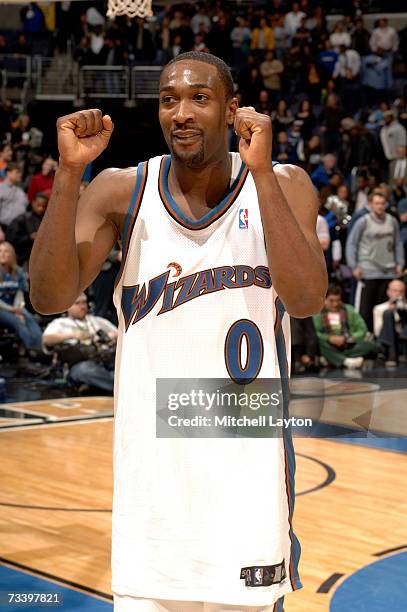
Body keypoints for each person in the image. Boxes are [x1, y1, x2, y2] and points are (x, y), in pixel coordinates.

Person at [29, 52, 327, 612]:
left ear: (233, 109)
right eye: (169, 100)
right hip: (154, 493)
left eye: (199, 98)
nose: (181, 113)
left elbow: (308, 300)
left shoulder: (282, 184)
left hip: (247, 483)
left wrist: (260, 172)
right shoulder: (122, 190)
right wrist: (70, 174)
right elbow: (46, 296)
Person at [346, 189, 405, 331]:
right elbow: (351, 244)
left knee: (385, 312)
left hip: (388, 272)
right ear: (371, 204)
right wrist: (354, 266)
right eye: (377, 203)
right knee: (365, 311)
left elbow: (398, 243)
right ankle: (365, 341)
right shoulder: (363, 222)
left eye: (382, 203)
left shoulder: (392, 221)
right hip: (368, 271)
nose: (380, 206)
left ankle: (383, 344)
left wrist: (400, 263)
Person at [42, 293, 117, 392]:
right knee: (85, 371)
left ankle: (102, 384)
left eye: (84, 303)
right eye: (77, 304)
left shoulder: (96, 320)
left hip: (106, 359)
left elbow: (119, 332)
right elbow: (46, 339)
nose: (82, 307)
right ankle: (117, 386)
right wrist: (73, 335)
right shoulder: (60, 323)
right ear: (68, 307)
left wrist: (113, 335)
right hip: (80, 363)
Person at [313, 284, 379, 369]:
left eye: (338, 300)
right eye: (331, 301)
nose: (335, 304)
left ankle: (332, 358)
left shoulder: (349, 309)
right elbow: (315, 332)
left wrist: (350, 338)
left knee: (371, 345)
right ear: (324, 300)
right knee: (319, 343)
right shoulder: (317, 313)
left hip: (348, 344)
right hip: (328, 345)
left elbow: (362, 329)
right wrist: (329, 338)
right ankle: (345, 361)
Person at [0, 241, 42, 350]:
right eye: (0, 251)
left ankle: (40, 348)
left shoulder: (18, 272)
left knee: (30, 318)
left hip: (15, 306)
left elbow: (19, 294)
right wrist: (13, 310)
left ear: (12, 254)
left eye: (6, 251)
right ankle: (30, 350)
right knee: (17, 321)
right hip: (2, 308)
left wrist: (19, 308)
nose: (3, 254)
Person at [373, 279, 407, 367]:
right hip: (387, 343)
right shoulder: (379, 308)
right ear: (388, 292)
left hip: (403, 341)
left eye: (401, 291)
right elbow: (377, 332)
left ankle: (401, 354)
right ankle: (392, 355)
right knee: (388, 313)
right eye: (395, 291)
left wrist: (402, 311)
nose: (398, 294)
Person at [0, 162, 28, 231]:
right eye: (17, 172)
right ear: (8, 173)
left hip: (20, 227)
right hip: (5, 227)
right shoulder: (1, 188)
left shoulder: (20, 191)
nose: (20, 174)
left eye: (20, 172)